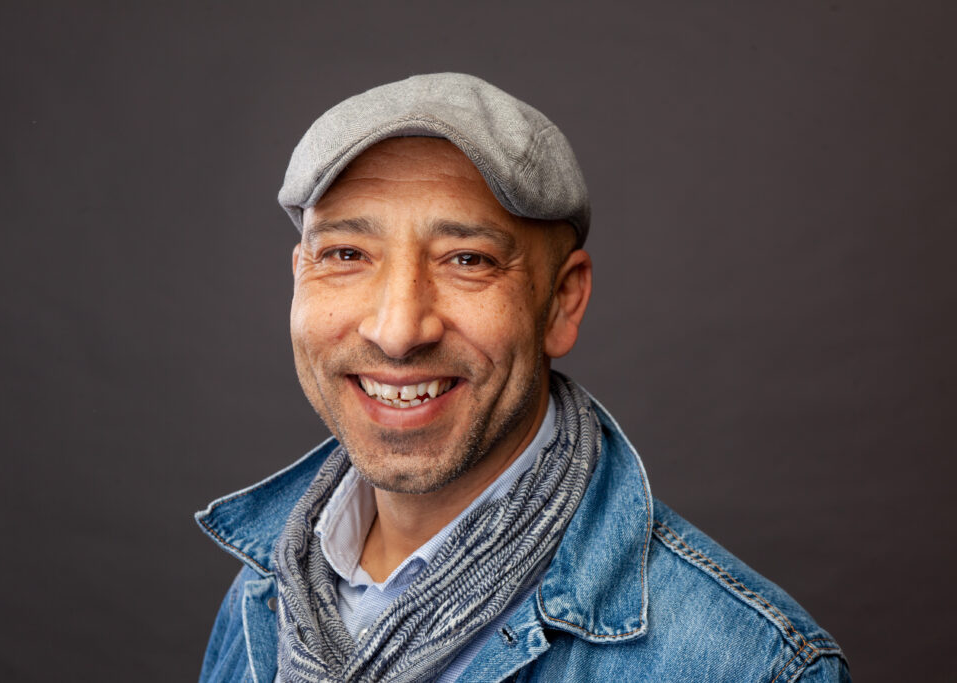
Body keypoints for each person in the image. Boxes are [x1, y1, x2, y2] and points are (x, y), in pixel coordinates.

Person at [195, 73, 849, 683]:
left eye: (467, 259)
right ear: (299, 278)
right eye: (345, 254)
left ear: (561, 301)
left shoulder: (756, 666)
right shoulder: (270, 588)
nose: (398, 330)